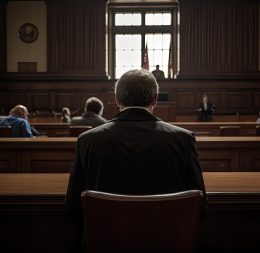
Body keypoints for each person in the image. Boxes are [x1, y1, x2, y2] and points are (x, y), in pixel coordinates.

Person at [65, 69, 208, 252]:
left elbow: (73, 206)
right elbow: (200, 205)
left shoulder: (87, 140)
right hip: (166, 245)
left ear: (117, 99)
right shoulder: (183, 139)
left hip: (105, 245)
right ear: (155, 99)